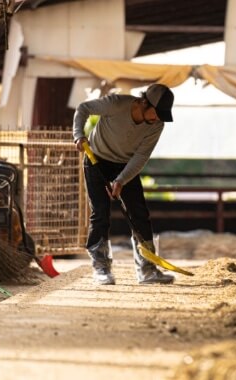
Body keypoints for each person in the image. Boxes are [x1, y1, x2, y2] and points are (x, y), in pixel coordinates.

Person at [73, 84, 175, 285]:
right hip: (97, 159)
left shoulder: (156, 125)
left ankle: (147, 269)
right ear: (145, 102)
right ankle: (101, 268)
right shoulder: (116, 104)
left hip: (125, 165)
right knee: (100, 213)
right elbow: (83, 109)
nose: (158, 118)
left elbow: (141, 156)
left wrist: (121, 180)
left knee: (139, 214)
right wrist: (79, 135)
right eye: (156, 113)